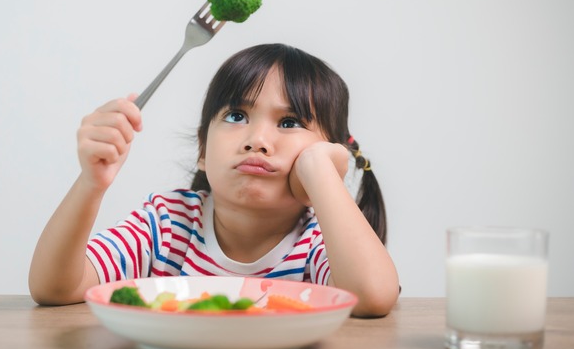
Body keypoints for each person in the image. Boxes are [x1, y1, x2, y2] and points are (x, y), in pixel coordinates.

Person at [29, 43, 399, 317]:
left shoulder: (319, 241)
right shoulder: (167, 224)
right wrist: (91, 184)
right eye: (237, 116)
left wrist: (321, 172)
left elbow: (373, 297)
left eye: (289, 123)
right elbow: (55, 288)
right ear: (203, 149)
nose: (257, 140)